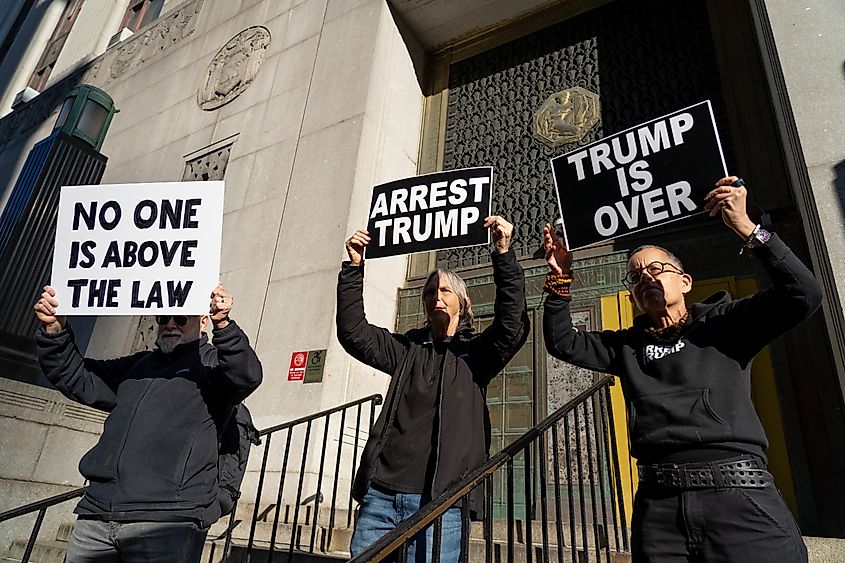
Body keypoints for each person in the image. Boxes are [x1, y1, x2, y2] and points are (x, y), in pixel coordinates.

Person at [541, 176, 820, 562]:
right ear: (634, 297)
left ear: (685, 281)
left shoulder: (725, 324)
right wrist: (560, 277)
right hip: (660, 510)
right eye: (636, 277)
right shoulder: (627, 346)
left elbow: (803, 295)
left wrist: (746, 227)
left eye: (656, 268)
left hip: (738, 499)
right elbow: (563, 341)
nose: (647, 277)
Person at [337, 216, 530, 561]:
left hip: (442, 504)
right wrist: (354, 267)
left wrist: (503, 255)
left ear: (462, 302)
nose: (434, 296)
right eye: (429, 292)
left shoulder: (476, 355)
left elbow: (512, 325)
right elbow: (355, 333)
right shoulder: (407, 350)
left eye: (444, 290)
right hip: (381, 498)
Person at [33, 284, 263, 563]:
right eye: (163, 318)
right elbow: (77, 376)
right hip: (98, 514)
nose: (170, 325)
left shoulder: (213, 366)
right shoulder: (137, 365)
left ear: (203, 321)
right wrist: (55, 330)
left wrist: (224, 326)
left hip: (166, 521)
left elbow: (246, 375)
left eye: (181, 318)